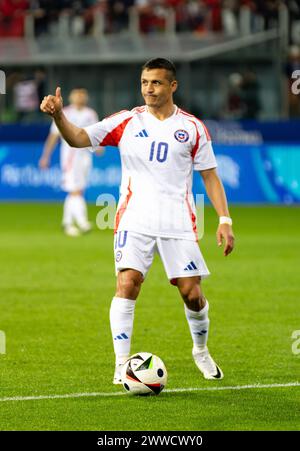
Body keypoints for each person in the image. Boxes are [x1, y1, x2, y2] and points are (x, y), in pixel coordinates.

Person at [40, 58, 235, 383]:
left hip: (177, 221)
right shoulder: (126, 121)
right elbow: (77, 138)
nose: (149, 88)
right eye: (145, 82)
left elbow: (211, 177)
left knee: (192, 293)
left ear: (173, 86)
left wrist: (224, 219)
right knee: (127, 284)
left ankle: (200, 351)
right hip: (134, 218)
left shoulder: (192, 128)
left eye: (156, 83)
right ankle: (121, 364)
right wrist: (59, 115)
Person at [39, 88, 100, 236]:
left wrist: (98, 146)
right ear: (71, 97)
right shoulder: (63, 112)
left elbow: (96, 132)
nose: (80, 97)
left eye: (82, 94)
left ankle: (67, 223)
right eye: (77, 94)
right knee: (75, 190)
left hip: (85, 156)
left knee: (77, 189)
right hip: (71, 155)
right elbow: (54, 135)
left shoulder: (90, 114)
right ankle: (82, 221)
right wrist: (45, 155)